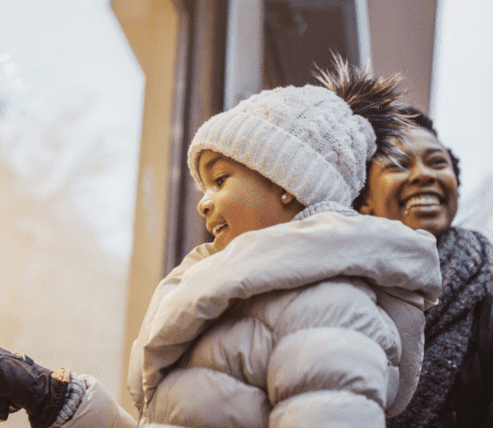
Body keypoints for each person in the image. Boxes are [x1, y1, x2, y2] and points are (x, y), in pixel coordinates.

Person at [0, 55, 441, 428]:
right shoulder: (242, 299)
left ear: (286, 181)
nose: (203, 204)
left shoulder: (329, 307)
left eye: (221, 180)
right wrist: (54, 397)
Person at [353, 105, 493, 428]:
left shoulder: (488, 299)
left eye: (437, 162)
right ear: (364, 200)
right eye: (399, 165)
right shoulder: (336, 293)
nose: (423, 174)